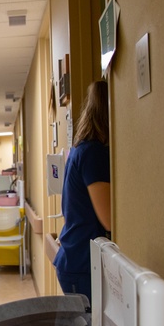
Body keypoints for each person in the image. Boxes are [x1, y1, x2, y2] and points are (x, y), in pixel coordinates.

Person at [54, 80, 111, 302]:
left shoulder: (81, 150)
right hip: (82, 263)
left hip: (75, 256)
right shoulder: (94, 154)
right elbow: (109, 220)